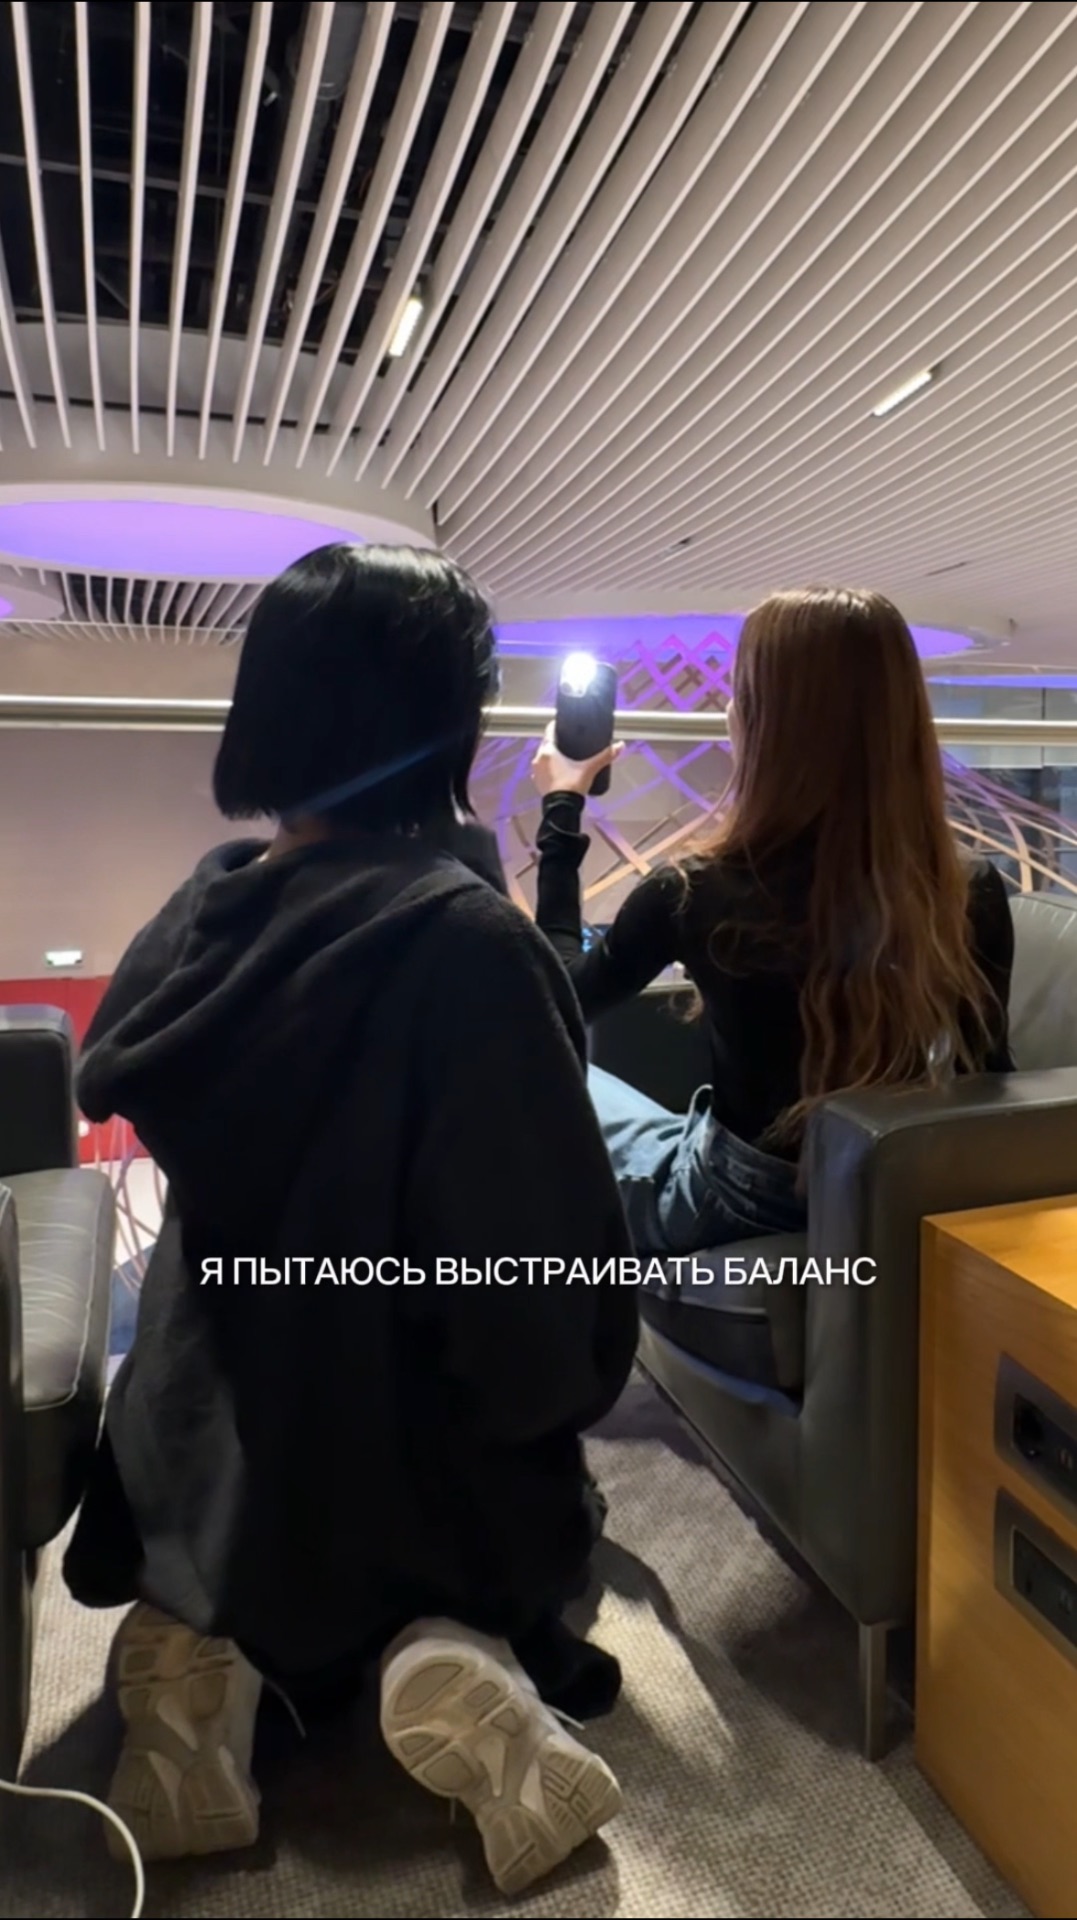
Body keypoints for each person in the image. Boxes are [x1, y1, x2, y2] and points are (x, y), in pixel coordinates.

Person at [64, 543, 637, 1896]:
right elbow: (542, 1310)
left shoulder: (197, 921)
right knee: (552, 1516)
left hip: (197, 1460)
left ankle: (212, 1650)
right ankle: (444, 1650)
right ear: (450, 723)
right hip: (399, 1468)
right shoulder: (469, 949)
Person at [531, 586, 1015, 1262]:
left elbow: (555, 998)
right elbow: (988, 1075)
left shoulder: (694, 890)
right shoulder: (969, 888)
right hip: (885, 1187)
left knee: (539, 1074)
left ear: (761, 721)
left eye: (740, 691)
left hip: (734, 1201)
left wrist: (561, 807)